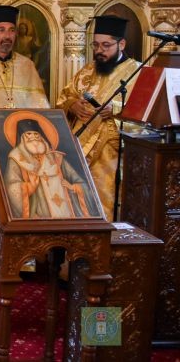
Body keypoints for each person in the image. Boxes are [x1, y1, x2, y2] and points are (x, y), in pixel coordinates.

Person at [56, 15, 141, 221]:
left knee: (106, 206)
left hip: (111, 158)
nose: (99, 51)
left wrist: (117, 109)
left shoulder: (138, 72)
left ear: (121, 44)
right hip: (78, 151)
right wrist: (72, 105)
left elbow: (146, 114)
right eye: (95, 45)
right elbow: (64, 98)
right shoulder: (87, 70)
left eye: (106, 45)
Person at [4, 113, 98, 219]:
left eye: (36, 134)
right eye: (29, 134)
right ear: (21, 138)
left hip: (67, 215)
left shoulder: (56, 157)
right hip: (39, 218)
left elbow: (80, 182)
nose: (33, 137)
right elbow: (11, 187)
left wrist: (74, 187)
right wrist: (29, 187)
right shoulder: (16, 158)